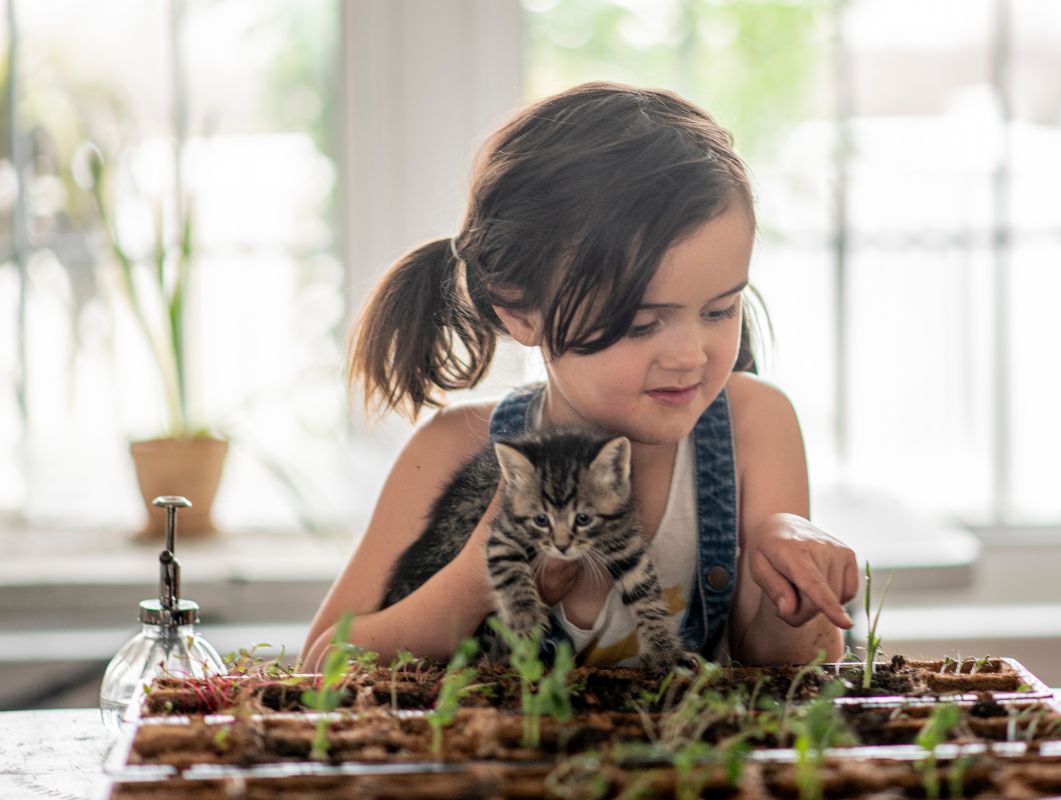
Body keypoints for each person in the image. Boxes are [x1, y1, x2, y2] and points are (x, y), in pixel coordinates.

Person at [301, 82, 858, 670]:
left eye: (720, 310)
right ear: (519, 308)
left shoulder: (754, 425)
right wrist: (478, 580)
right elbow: (318, 666)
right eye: (643, 323)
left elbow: (789, 666)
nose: (690, 356)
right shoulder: (451, 449)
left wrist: (791, 588)